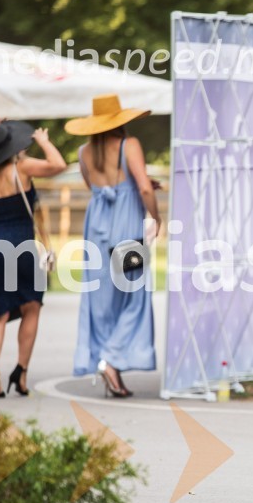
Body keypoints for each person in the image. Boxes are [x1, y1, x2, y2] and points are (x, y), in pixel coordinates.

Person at [65, 94, 160, 398]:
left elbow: (95, 187)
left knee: (102, 300)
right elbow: (142, 185)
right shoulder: (128, 145)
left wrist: (129, 186)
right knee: (134, 295)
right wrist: (156, 217)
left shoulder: (83, 152)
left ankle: (109, 363)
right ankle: (112, 359)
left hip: (97, 228)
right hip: (126, 228)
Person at [0, 121, 67, 398]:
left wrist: (0, 134)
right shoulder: (21, 169)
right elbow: (58, 164)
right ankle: (21, 372)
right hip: (23, 246)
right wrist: (43, 140)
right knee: (31, 307)